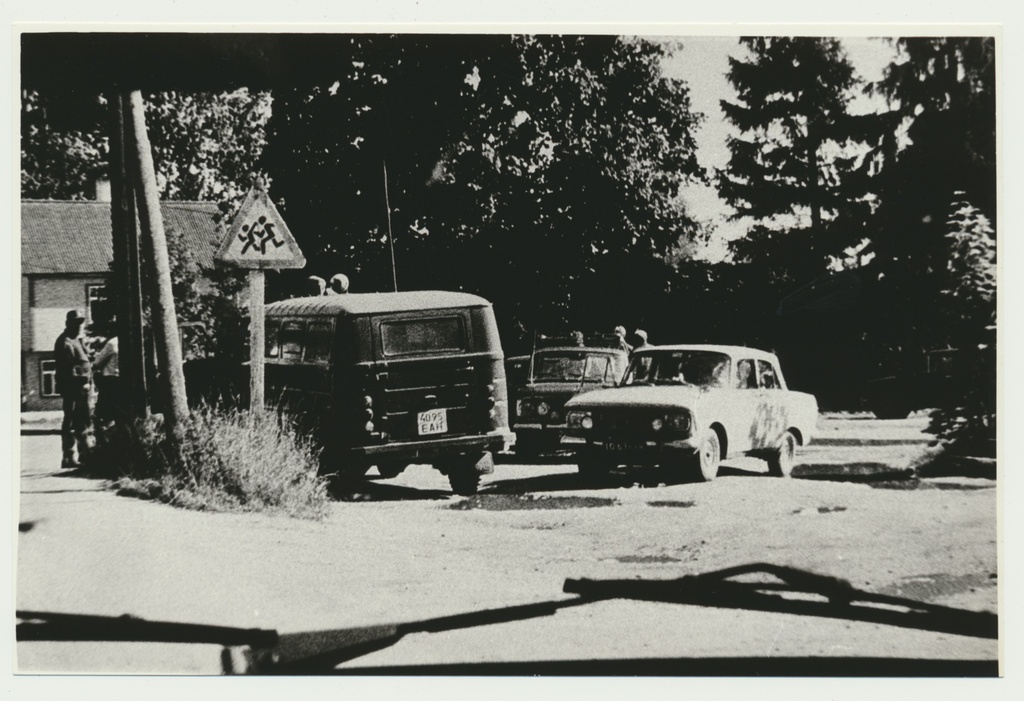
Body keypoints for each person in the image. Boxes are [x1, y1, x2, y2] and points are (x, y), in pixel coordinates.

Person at [54, 310, 92, 467]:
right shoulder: (65, 342)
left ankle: (85, 455)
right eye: (75, 324)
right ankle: (69, 457)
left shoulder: (76, 340)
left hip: (80, 387)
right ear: (68, 324)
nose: (79, 327)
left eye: (80, 324)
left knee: (82, 419)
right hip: (73, 387)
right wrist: (82, 381)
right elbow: (70, 367)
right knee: (71, 420)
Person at [92, 321, 121, 442]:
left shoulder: (112, 343)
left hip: (110, 380)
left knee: (105, 414)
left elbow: (97, 362)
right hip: (122, 381)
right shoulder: (129, 341)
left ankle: (104, 441)